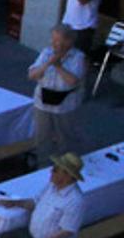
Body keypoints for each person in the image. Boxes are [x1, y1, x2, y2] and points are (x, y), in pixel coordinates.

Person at [26, 24, 87, 164]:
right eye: (53, 40)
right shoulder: (46, 53)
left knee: (65, 137)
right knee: (42, 136)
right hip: (42, 102)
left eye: (58, 40)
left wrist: (58, 66)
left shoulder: (78, 57)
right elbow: (31, 75)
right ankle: (42, 165)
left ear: (69, 41)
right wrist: (47, 63)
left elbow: (73, 81)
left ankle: (65, 166)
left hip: (64, 105)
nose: (54, 44)